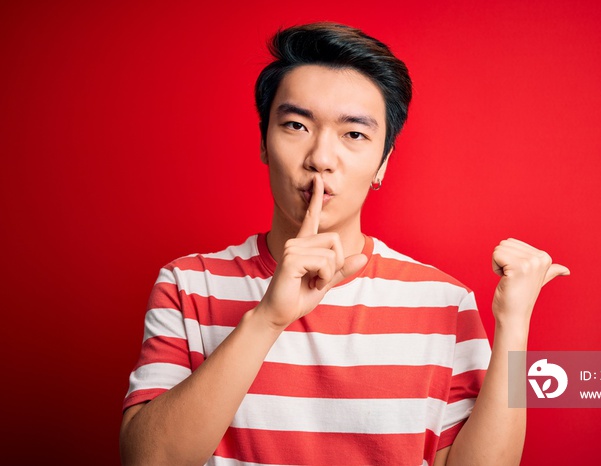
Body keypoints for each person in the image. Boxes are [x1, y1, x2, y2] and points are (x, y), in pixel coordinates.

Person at [119, 22, 569, 466]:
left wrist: (514, 327)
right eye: (296, 125)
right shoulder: (187, 284)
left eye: (354, 134)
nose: (320, 159)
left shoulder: (443, 302)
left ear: (382, 164)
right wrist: (267, 319)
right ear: (263, 141)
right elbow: (148, 460)